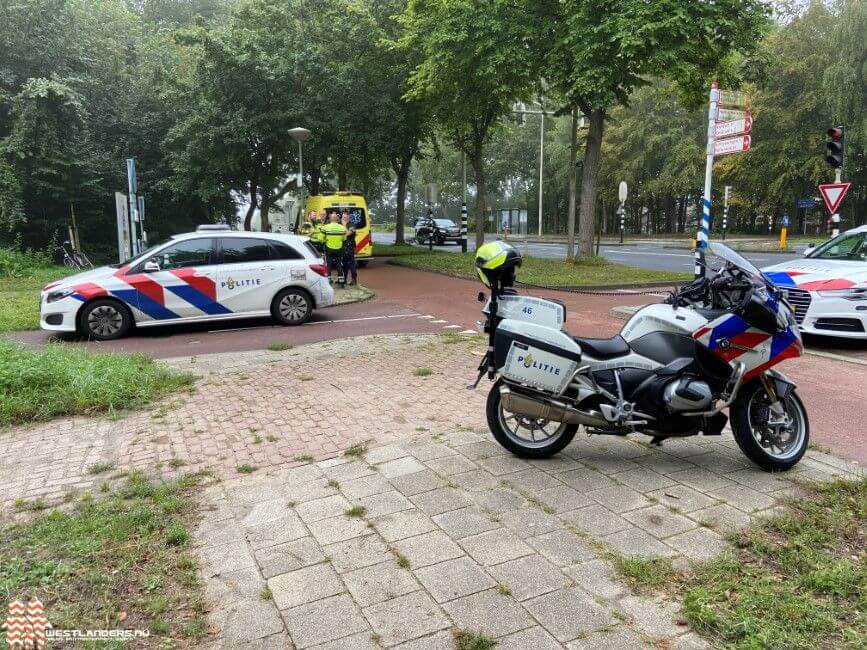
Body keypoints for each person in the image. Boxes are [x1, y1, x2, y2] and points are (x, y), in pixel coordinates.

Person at [321, 211, 348, 285]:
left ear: (330, 219)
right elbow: (344, 239)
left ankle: (329, 281)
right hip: (339, 249)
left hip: (329, 249)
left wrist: (325, 240)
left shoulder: (325, 227)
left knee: (328, 265)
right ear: (337, 219)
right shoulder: (342, 228)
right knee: (339, 265)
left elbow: (321, 238)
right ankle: (341, 282)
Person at [341, 210, 358, 286]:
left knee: (352, 264)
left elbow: (348, 234)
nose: (343, 218)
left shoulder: (352, 225)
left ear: (348, 217)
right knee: (344, 264)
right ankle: (344, 279)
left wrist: (344, 225)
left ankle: (354, 280)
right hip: (342, 246)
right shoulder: (340, 224)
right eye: (343, 217)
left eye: (345, 217)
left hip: (350, 246)